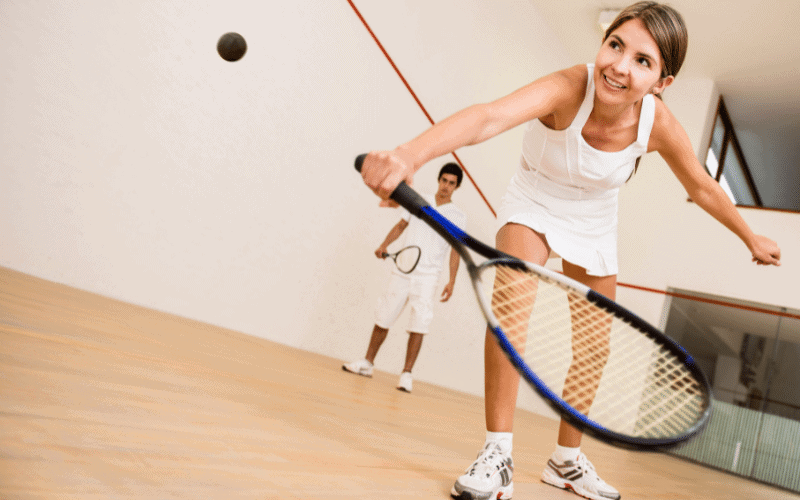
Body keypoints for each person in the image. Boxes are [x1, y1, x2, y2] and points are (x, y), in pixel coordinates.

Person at [357, 2, 782, 499]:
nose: (620, 66)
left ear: (662, 82)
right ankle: (498, 452)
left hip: (595, 217)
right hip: (535, 199)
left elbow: (704, 185)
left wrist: (748, 234)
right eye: (616, 45)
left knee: (594, 347)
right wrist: (409, 154)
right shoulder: (567, 86)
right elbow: (487, 118)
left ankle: (566, 461)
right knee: (511, 318)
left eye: (643, 61)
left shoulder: (657, 123)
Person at [343, 163, 467, 393]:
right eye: (444, 181)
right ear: (439, 180)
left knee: (419, 324)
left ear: (456, 187)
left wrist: (452, 281)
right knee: (383, 316)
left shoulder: (458, 217)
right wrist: (384, 245)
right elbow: (401, 225)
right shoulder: (420, 201)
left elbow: (455, 250)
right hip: (402, 270)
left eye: (451, 183)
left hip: (428, 277)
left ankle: (407, 375)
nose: (446, 186)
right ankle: (367, 363)